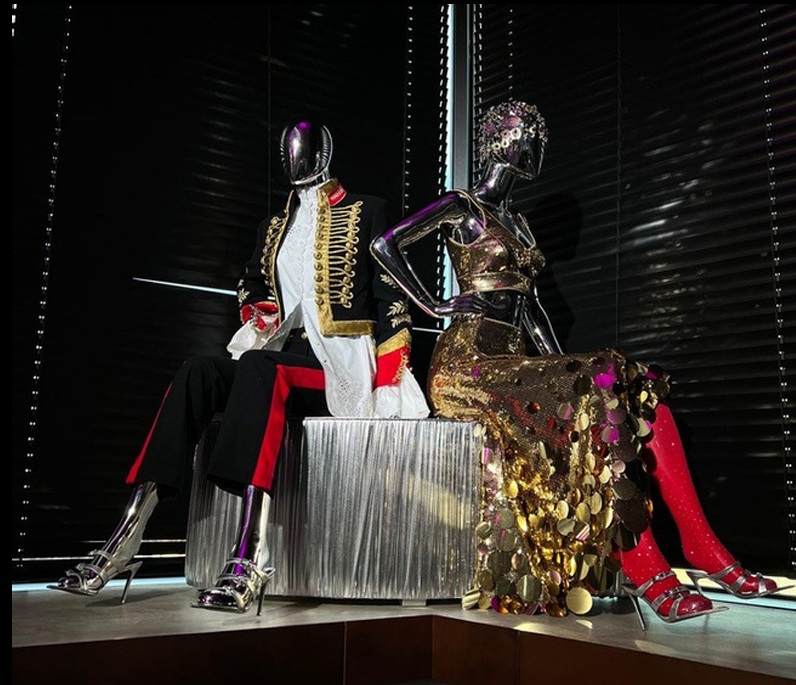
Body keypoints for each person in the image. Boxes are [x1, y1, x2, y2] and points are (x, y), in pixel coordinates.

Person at [370, 100, 790, 628]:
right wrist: (435, 304)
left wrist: (568, 369)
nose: (536, 151)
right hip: (466, 364)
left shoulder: (519, 225)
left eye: (540, 142)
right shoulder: (463, 205)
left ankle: (704, 547)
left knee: (635, 390)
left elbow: (530, 308)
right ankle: (645, 566)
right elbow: (384, 244)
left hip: (513, 359)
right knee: (606, 375)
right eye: (529, 137)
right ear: (501, 139)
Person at [48, 120, 430, 614]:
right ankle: (126, 535)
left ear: (325, 153)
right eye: (288, 151)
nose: (294, 159)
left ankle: (250, 555)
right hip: (280, 352)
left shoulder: (367, 210)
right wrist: (259, 310)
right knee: (198, 372)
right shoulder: (274, 226)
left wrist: (390, 379)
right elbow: (252, 282)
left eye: (303, 150)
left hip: (340, 365)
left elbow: (390, 298)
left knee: (259, 368)